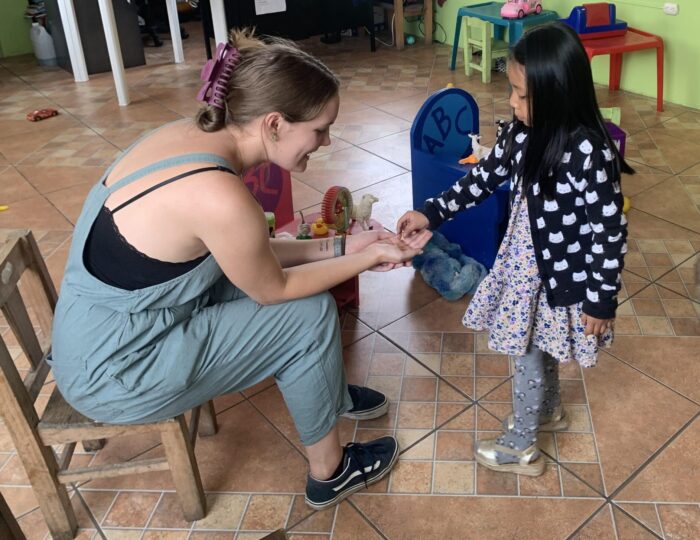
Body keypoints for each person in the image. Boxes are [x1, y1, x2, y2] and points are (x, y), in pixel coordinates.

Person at [49, 28, 431, 510]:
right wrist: (369, 256)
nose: (326, 140)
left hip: (106, 331)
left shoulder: (188, 138)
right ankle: (330, 472)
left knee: (289, 301)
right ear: (274, 123)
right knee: (305, 314)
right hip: (118, 368)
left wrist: (348, 243)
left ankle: (325, 388)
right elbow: (274, 288)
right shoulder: (220, 195)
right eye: (319, 129)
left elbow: (251, 253)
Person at [397, 22, 634, 477]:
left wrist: (601, 299)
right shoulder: (521, 133)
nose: (511, 102)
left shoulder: (590, 151)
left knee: (524, 351)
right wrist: (432, 212)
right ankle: (547, 412)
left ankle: (522, 445)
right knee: (535, 346)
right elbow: (483, 178)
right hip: (524, 265)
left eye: (522, 94)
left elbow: (609, 232)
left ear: (559, 92)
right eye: (513, 91)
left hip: (559, 277)